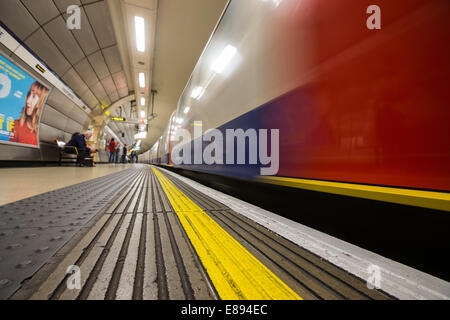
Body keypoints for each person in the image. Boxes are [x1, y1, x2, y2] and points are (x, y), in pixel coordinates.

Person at [10, 81, 49, 146]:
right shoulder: (16, 125)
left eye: (33, 96)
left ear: (42, 103)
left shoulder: (46, 133)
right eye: (29, 94)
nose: (28, 100)